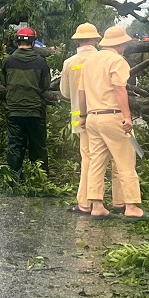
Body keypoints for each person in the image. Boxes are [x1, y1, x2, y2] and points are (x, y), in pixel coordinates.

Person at [78, 26, 149, 219]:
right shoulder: (118, 61)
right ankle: (132, 207)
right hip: (112, 116)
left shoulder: (90, 61)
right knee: (126, 161)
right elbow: (120, 90)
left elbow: (81, 92)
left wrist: (83, 116)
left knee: (96, 162)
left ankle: (97, 205)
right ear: (120, 44)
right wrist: (127, 117)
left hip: (93, 117)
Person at [59, 23, 119, 213]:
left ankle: (85, 202)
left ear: (77, 40)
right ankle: (120, 202)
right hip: (106, 115)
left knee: (89, 159)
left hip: (81, 118)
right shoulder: (105, 59)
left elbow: (65, 93)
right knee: (116, 159)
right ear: (96, 39)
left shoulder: (69, 62)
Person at [1, 27, 50, 182]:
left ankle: (15, 178)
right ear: (34, 42)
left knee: (15, 144)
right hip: (35, 110)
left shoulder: (8, 61)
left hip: (14, 110)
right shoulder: (41, 62)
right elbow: (46, 85)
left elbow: (4, 82)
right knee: (38, 145)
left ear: (17, 42)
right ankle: (40, 178)